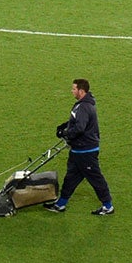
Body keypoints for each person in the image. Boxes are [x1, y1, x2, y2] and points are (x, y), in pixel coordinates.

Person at [46, 78, 112, 214]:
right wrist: (65, 125)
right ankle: (60, 204)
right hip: (78, 150)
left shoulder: (83, 107)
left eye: (74, 89)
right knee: (71, 177)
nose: (72, 91)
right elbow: (77, 122)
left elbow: (80, 128)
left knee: (95, 178)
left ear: (81, 91)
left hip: (86, 151)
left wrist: (66, 133)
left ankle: (108, 206)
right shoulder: (83, 104)